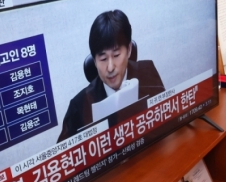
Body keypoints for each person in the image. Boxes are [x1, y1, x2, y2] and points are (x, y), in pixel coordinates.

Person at [57, 10, 165, 142]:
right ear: (94, 60)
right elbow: (65, 152)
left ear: (129, 50)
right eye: (103, 59)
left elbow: (166, 120)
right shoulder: (78, 106)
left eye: (116, 55)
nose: (110, 68)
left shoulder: (147, 72)